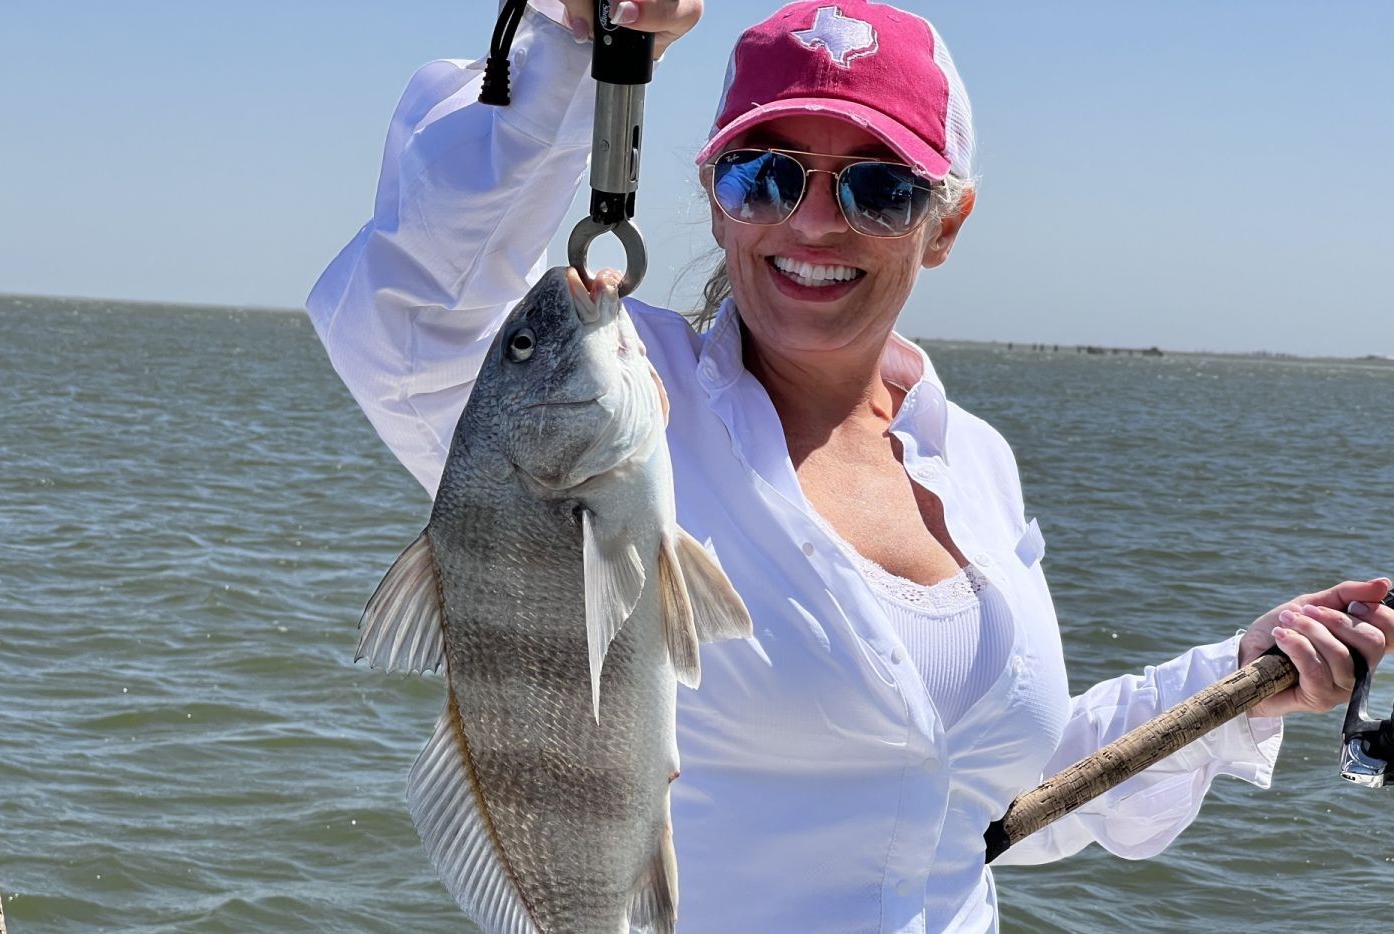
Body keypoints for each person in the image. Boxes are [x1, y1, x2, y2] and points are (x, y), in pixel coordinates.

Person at [306, 1, 1394, 930]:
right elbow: (411, 315)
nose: (813, 220)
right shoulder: (620, 413)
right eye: (766, 173)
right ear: (715, 192)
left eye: (877, 187)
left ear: (945, 222)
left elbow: (984, 780)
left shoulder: (972, 462)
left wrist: (1239, 677)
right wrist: (574, 42)